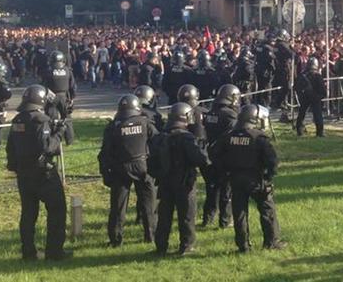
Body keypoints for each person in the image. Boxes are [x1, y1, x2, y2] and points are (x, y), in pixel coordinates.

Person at [6, 85, 70, 260]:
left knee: (28, 214)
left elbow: (10, 148)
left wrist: (15, 167)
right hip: (44, 174)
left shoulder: (17, 120)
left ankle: (28, 252)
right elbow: (48, 147)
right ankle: (54, 252)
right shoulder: (41, 120)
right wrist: (59, 133)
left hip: (24, 175)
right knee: (57, 211)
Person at [211, 104, 287, 252]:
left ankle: (243, 245)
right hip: (257, 179)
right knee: (267, 210)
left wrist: (225, 171)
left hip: (235, 178)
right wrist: (269, 176)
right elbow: (272, 160)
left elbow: (214, 153)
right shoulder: (259, 138)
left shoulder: (229, 135)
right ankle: (271, 242)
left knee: (239, 212)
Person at [98, 95, 157, 247]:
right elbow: (158, 143)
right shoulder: (146, 123)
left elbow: (105, 153)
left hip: (120, 168)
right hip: (143, 166)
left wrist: (106, 174)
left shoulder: (113, 127)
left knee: (118, 206)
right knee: (148, 203)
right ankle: (150, 235)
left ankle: (116, 240)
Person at [151, 102, 209, 257]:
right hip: (184, 181)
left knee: (164, 216)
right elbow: (202, 159)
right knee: (186, 216)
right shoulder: (186, 137)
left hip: (164, 181)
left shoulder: (160, 137)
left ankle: (161, 246)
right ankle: (186, 246)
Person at [201, 84, 240, 229]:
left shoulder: (211, 113)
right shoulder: (230, 115)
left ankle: (208, 218)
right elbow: (231, 135)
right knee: (226, 190)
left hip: (211, 153)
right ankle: (225, 220)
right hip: (225, 155)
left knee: (212, 188)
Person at [42, 50, 76, 144]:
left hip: (51, 96)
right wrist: (72, 98)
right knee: (67, 118)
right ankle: (69, 140)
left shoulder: (48, 71)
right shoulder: (67, 71)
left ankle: (53, 138)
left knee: (52, 118)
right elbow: (72, 86)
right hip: (64, 96)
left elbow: (43, 85)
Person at [294, 58, 326, 137]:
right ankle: (320, 133)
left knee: (302, 114)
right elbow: (323, 89)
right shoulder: (317, 75)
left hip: (305, 97)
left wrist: (301, 95)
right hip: (315, 97)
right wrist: (319, 97)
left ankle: (299, 131)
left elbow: (296, 87)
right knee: (317, 114)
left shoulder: (302, 74)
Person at [253, 37, 275, 106]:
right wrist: (273, 69)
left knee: (260, 87)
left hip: (258, 70)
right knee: (267, 88)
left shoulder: (259, 47)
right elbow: (271, 60)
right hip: (266, 71)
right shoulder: (268, 48)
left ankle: (259, 102)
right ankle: (266, 104)